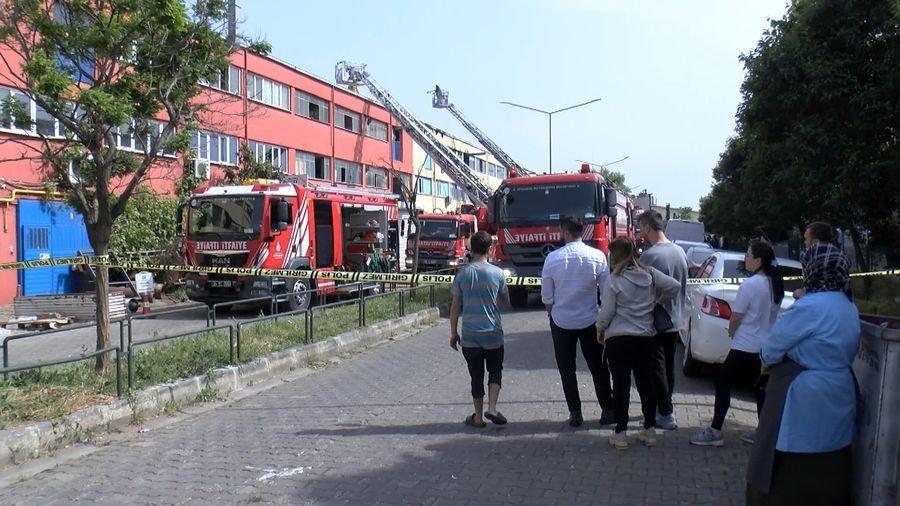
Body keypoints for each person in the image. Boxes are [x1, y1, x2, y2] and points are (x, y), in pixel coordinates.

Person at [746, 242, 858, 505]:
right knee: (828, 459)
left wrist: (765, 361)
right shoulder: (848, 305)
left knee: (790, 469)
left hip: (804, 394)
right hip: (840, 389)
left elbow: (772, 348)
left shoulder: (810, 306)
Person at [690, 240, 784, 447]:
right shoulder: (775, 283)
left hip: (745, 344)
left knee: (723, 383)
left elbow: (736, 317)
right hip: (765, 344)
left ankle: (715, 431)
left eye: (749, 255)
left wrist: (731, 332)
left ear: (758, 260)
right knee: (759, 389)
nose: (745, 258)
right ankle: (764, 433)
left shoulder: (750, 284)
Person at [597, 237, 680, 450]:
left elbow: (606, 313)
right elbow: (674, 286)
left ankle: (621, 434)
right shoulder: (650, 274)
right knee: (646, 383)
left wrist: (600, 329)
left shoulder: (613, 280)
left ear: (613, 255)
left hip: (619, 339)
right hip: (646, 339)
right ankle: (650, 430)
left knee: (622, 386)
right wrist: (658, 301)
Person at [541, 215, 614, 427]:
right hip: (591, 319)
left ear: (564, 232)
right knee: (599, 367)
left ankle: (575, 413)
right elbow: (606, 290)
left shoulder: (552, 259)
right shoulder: (598, 256)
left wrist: (551, 314)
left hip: (561, 321)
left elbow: (547, 297)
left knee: (566, 369)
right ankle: (608, 410)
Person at [450, 231, 510, 428]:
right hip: (493, 331)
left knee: (476, 375)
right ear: (490, 249)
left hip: (470, 334)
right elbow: (506, 302)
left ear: (470, 249)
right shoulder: (498, 274)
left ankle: (477, 417)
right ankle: (492, 408)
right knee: (495, 370)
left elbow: (455, 306)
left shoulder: (462, 274)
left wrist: (453, 332)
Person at [638, 209, 688, 430]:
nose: (641, 233)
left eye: (641, 228)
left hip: (656, 322)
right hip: (676, 319)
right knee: (668, 367)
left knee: (656, 369)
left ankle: (665, 413)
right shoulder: (680, 252)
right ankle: (666, 406)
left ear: (648, 227)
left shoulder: (650, 256)